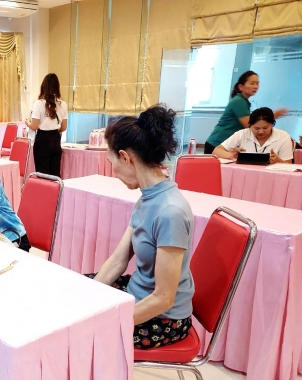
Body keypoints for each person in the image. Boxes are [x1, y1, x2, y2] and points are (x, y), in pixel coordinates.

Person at [88, 104, 194, 349]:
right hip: (138, 293)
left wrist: (108, 320)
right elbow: (118, 261)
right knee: (76, 292)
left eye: (111, 162)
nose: (113, 172)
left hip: (164, 318)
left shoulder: (170, 212)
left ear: (126, 158)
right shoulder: (147, 198)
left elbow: (164, 298)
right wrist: (88, 299)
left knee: (86, 334)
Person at [204, 71, 288, 154]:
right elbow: (249, 124)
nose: (255, 86)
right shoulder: (239, 101)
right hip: (218, 143)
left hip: (226, 144)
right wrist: (272, 116)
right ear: (241, 87)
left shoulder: (243, 101)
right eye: (252, 83)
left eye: (257, 83)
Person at [212, 107, 293, 164]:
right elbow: (216, 151)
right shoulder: (242, 134)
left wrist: (278, 160)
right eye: (256, 128)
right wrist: (230, 155)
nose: (261, 132)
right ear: (250, 126)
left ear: (272, 124)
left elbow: (288, 164)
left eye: (265, 128)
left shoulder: (283, 136)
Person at [25, 73, 68, 177]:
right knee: (55, 175)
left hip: (42, 140)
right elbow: (63, 127)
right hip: (56, 140)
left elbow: (34, 126)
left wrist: (27, 122)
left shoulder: (39, 104)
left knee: (42, 176)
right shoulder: (63, 104)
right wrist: (54, 132)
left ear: (43, 86)